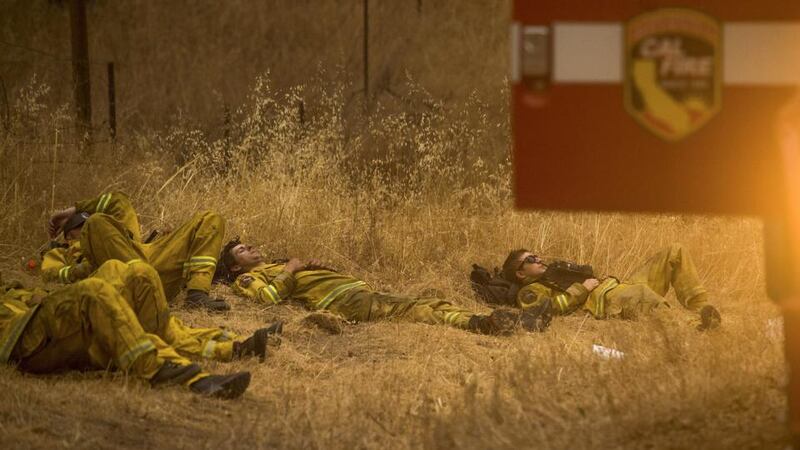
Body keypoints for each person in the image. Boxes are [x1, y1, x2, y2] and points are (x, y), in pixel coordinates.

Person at [215, 238, 552, 335]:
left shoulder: (274, 266)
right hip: (348, 303)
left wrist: (316, 269)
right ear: (233, 267)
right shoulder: (250, 279)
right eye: (242, 251)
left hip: (357, 295)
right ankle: (492, 323)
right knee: (423, 308)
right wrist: (291, 270)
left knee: (427, 304)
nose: (252, 249)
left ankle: (494, 322)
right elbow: (269, 299)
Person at [0, 274, 250, 399]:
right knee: (93, 291)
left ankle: (202, 376)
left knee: (140, 278)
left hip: (50, 331)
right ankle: (154, 370)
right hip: (18, 339)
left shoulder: (14, 287)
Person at [44, 191, 229, 312]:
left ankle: (197, 295)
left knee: (210, 218)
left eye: (85, 222)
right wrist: (87, 268)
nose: (85, 225)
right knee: (97, 222)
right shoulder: (63, 252)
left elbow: (118, 201)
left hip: (148, 260)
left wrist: (74, 209)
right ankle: (145, 285)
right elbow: (51, 274)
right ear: (68, 236)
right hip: (122, 277)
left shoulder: (120, 231)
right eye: (80, 226)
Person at [500, 244, 722, 330]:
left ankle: (701, 309)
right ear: (520, 273)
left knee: (674, 252)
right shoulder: (529, 292)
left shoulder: (552, 274)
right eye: (530, 260)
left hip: (618, 286)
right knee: (642, 294)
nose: (537, 260)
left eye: (536, 256)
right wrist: (583, 288)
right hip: (606, 300)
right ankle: (693, 326)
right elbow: (549, 309)